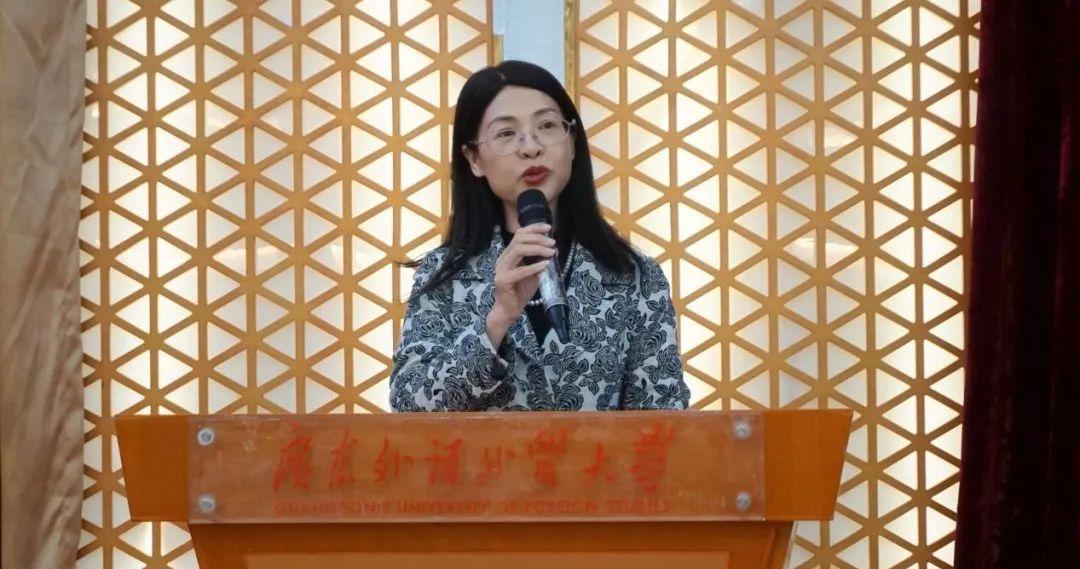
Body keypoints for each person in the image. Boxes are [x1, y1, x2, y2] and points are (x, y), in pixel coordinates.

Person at [389, 60, 690, 412]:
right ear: (474, 159)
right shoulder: (444, 275)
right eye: (506, 133)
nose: (530, 147)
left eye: (546, 126)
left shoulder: (635, 277)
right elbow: (408, 407)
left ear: (572, 143)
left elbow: (665, 419)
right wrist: (496, 321)